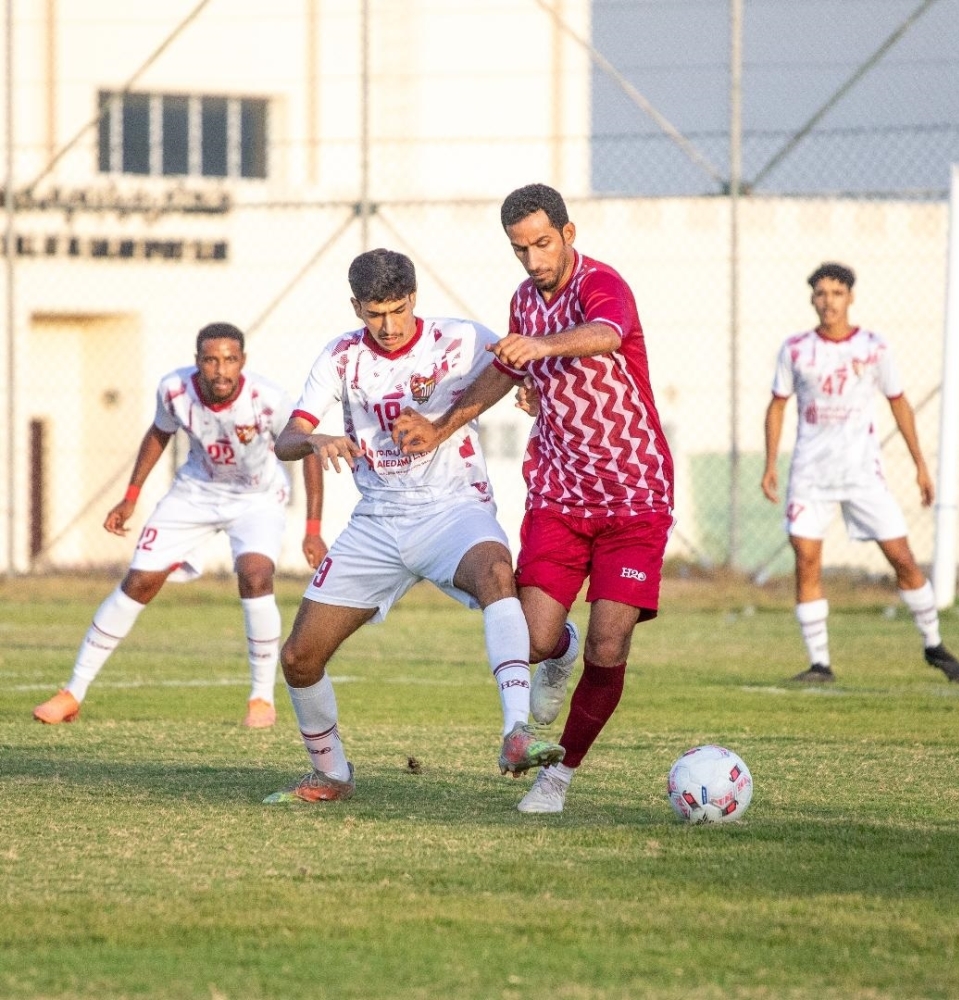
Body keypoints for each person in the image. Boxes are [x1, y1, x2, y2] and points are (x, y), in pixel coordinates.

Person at [393, 183, 675, 815]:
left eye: (543, 244)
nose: (533, 260)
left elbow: (605, 334)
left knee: (612, 643)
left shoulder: (604, 285)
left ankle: (560, 777)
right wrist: (441, 427)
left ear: (568, 234)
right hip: (559, 494)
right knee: (535, 642)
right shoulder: (524, 299)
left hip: (634, 496)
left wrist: (542, 346)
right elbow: (505, 371)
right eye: (520, 248)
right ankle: (561, 652)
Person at [261, 248, 565, 805]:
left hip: (453, 509)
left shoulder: (460, 338)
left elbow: (515, 366)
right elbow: (287, 437)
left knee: (498, 572)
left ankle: (517, 734)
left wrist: (495, 405)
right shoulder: (341, 357)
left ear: (414, 297)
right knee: (299, 658)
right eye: (375, 313)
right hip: (377, 522)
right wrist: (316, 438)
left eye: (398, 310)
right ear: (356, 307)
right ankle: (331, 774)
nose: (389, 325)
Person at [33, 322, 327, 729]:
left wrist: (312, 527)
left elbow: (309, 451)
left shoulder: (268, 399)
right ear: (197, 363)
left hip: (256, 499)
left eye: (229, 360)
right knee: (139, 581)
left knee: (257, 575)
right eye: (210, 360)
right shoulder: (174, 390)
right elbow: (159, 433)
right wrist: (131, 496)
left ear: (242, 362)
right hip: (194, 493)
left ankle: (261, 700)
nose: (220, 370)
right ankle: (72, 693)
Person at [761, 262, 959, 685]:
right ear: (812, 299)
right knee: (806, 560)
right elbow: (778, 404)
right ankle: (820, 663)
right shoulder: (796, 349)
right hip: (810, 475)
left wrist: (920, 465)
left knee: (903, 558)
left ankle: (933, 644)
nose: (828, 301)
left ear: (850, 298)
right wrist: (769, 464)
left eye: (837, 293)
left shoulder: (873, 347)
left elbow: (898, 401)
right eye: (821, 293)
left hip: (862, 474)